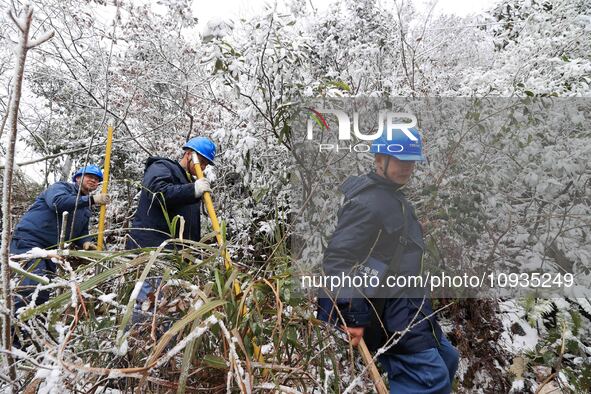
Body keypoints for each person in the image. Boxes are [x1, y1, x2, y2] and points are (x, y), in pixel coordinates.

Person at [317, 128, 459, 394]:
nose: (407, 168)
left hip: (410, 303)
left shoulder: (391, 196)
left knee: (448, 358)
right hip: (388, 312)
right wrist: (352, 316)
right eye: (400, 160)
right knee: (428, 379)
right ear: (379, 159)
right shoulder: (367, 203)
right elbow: (338, 260)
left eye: (411, 161)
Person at [125, 136, 215, 305]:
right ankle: (140, 331)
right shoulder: (162, 167)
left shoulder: (188, 182)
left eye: (205, 164)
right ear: (189, 155)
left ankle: (160, 332)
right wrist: (192, 190)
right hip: (154, 252)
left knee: (168, 308)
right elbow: (157, 193)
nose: (202, 167)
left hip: (176, 257)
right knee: (149, 305)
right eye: (201, 161)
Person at [10, 164, 109, 309]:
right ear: (78, 177)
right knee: (32, 288)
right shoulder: (61, 188)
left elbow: (81, 231)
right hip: (29, 241)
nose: (94, 181)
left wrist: (85, 242)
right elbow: (58, 203)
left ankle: (32, 325)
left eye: (97, 179)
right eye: (90, 177)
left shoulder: (85, 207)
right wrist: (92, 200)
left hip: (51, 251)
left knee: (43, 292)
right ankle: (14, 327)